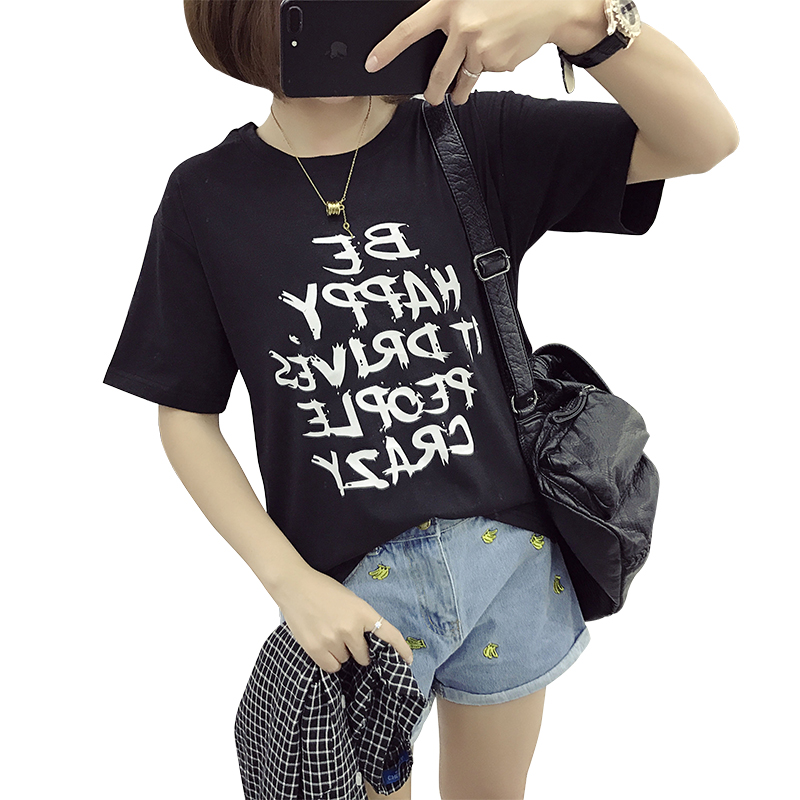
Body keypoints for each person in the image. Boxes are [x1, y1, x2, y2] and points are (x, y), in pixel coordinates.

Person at [102, 2, 738, 798]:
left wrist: (574, 17)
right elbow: (185, 414)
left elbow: (702, 139)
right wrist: (290, 583)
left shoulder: (468, 137)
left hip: (513, 568)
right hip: (356, 602)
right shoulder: (208, 197)